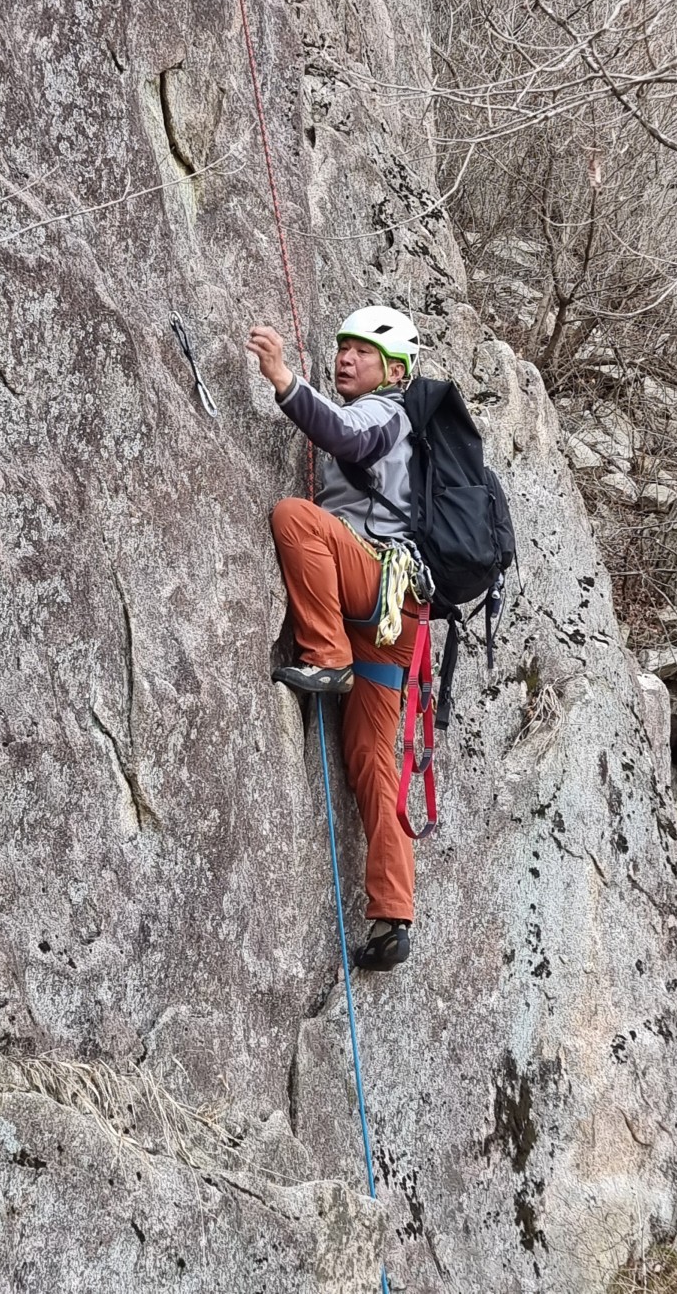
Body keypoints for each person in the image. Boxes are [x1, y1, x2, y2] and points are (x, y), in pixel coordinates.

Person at [247, 305, 426, 971]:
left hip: (372, 586)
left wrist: (285, 381)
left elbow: (347, 438)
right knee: (373, 758)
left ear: (396, 370)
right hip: (395, 612)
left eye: (363, 353)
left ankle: (327, 657)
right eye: (343, 348)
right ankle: (393, 915)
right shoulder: (394, 418)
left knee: (295, 517)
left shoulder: (389, 412)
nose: (347, 359)